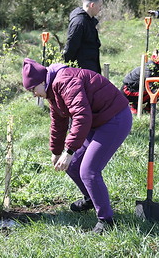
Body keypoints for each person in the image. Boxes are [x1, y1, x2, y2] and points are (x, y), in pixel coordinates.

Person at [22, 58, 132, 234]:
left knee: (89, 170)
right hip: (96, 121)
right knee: (72, 165)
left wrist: (70, 150)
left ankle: (106, 221)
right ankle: (91, 198)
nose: (34, 95)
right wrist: (56, 151)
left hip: (114, 118)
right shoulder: (52, 90)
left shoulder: (64, 81)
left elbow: (81, 116)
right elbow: (58, 121)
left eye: (33, 89)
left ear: (42, 82)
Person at [63, 0, 104, 74]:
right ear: (92, 5)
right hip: (81, 72)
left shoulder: (90, 20)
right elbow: (71, 48)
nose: (100, 9)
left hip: (90, 69)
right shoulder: (79, 23)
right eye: (100, 6)